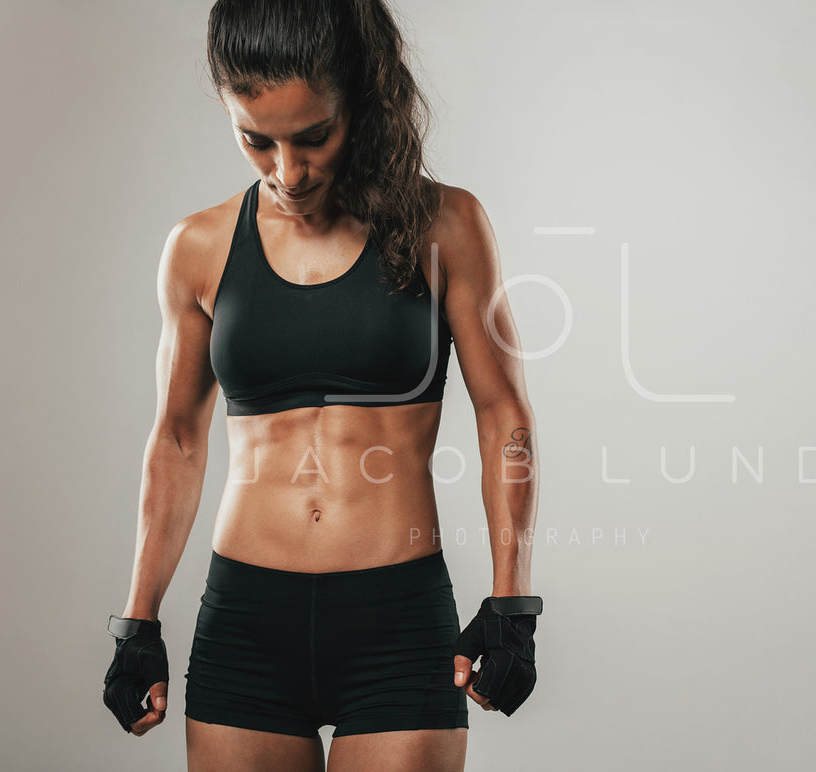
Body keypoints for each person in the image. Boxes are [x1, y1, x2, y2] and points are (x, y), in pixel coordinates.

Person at [100, 1, 542, 770]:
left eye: (312, 137)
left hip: (396, 618)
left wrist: (513, 604)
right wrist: (139, 620)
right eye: (255, 140)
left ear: (361, 101)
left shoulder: (447, 226)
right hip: (245, 621)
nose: (287, 172)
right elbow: (176, 437)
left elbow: (503, 411)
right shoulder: (198, 249)